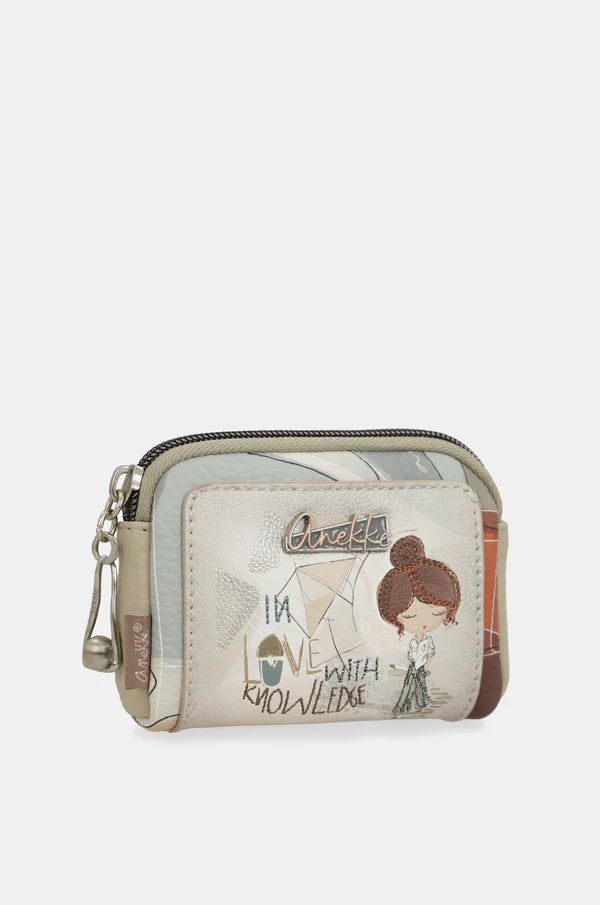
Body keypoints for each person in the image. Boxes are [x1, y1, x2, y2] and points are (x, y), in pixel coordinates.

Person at [377, 535, 461, 715]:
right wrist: (411, 667)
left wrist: (424, 667)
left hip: (420, 668)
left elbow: (429, 655)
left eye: (437, 613)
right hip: (414, 668)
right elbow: (411, 656)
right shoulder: (415, 642)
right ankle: (410, 704)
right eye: (409, 616)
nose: (422, 623)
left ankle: (415, 703)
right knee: (412, 683)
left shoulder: (427, 642)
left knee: (416, 683)